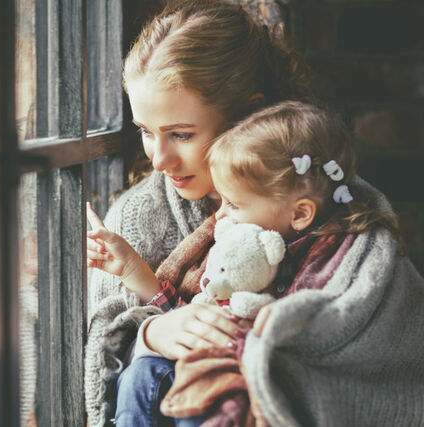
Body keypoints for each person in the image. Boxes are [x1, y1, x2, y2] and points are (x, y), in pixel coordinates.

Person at [89, 101, 412, 425]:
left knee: (210, 405)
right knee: (140, 373)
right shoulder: (236, 244)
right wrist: (133, 272)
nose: (221, 215)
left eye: (233, 203)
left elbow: (330, 340)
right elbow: (198, 314)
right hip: (213, 362)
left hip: (258, 385)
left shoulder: (341, 262)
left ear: (300, 213)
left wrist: (253, 339)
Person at [84, 0, 312, 425]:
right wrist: (152, 334)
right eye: (146, 132)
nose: (158, 159)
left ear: (247, 114)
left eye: (182, 134)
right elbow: (95, 361)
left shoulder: (320, 199)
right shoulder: (131, 219)